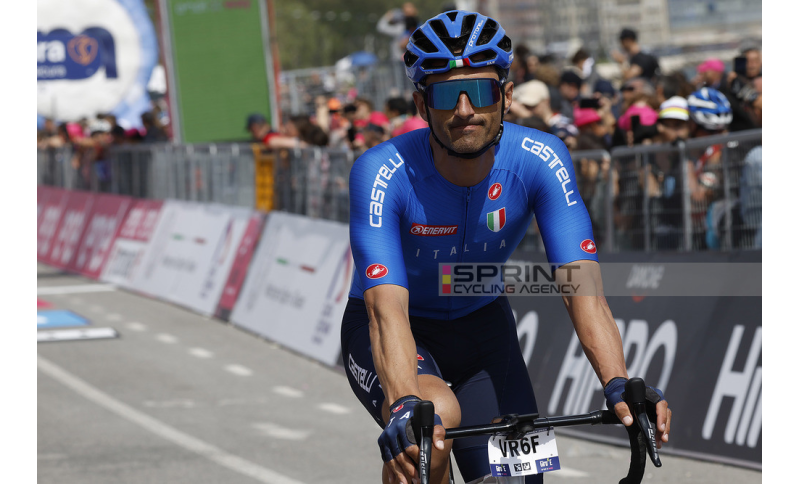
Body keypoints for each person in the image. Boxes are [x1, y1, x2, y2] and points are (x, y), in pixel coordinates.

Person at [342, 10, 671, 484]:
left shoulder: (542, 158)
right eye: (444, 95)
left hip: (483, 326)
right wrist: (403, 401)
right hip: (399, 325)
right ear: (421, 105)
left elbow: (581, 285)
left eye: (480, 91)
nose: (464, 110)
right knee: (429, 426)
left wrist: (617, 381)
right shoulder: (380, 171)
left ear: (507, 96)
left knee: (520, 477)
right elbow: (385, 307)